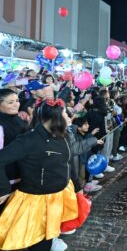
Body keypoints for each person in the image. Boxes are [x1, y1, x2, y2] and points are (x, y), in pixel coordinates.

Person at [0, 99, 78, 251]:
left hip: (56, 197)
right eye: (65, 115)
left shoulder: (61, 136)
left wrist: (76, 185)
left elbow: (66, 163)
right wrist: (3, 188)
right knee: (38, 242)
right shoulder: (28, 140)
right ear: (55, 118)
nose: (69, 118)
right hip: (36, 200)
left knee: (48, 236)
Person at [0, 89, 29, 213]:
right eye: (10, 102)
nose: (16, 104)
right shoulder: (1, 125)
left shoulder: (18, 118)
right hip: (7, 179)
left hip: (22, 174)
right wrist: (3, 187)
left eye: (17, 101)